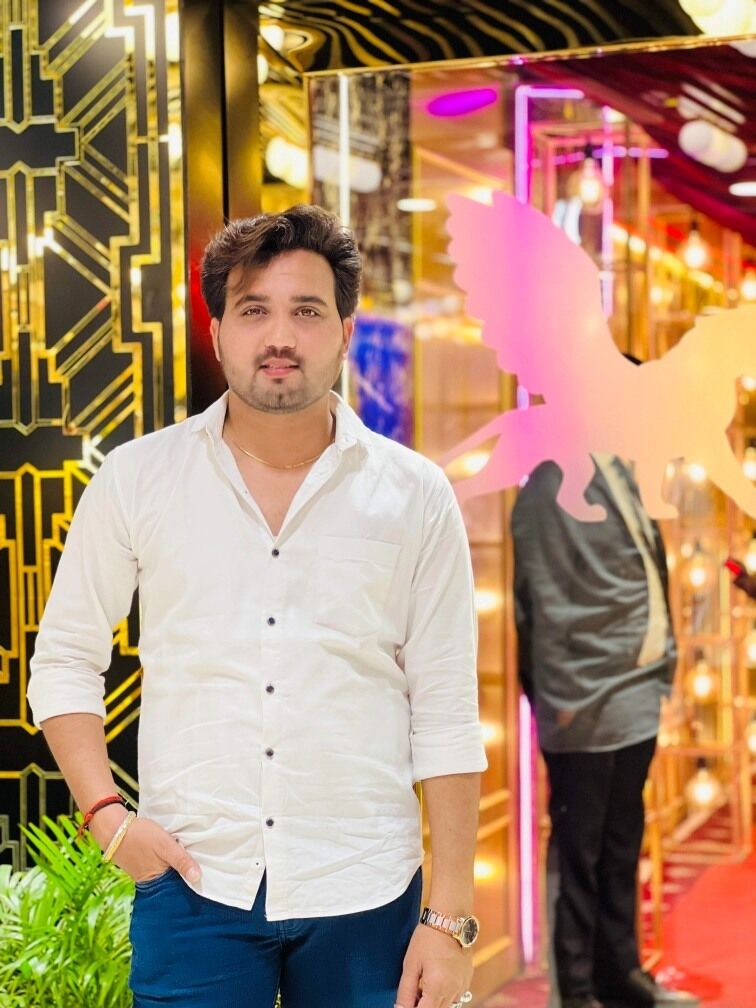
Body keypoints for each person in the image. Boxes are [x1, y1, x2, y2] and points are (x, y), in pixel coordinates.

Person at [28, 205, 486, 1008]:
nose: (280, 337)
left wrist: (448, 922)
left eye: (306, 311)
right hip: (193, 884)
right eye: (253, 311)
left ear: (345, 332)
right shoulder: (137, 480)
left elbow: (445, 706)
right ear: (217, 333)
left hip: (366, 889)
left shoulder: (414, 495)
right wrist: (107, 817)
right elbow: (64, 659)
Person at [512, 454, 698, 1008]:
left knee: (621, 844)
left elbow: (645, 568)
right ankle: (576, 990)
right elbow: (543, 598)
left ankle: (621, 974)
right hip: (584, 698)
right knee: (580, 851)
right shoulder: (551, 480)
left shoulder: (620, 466)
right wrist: (562, 698)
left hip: (636, 688)